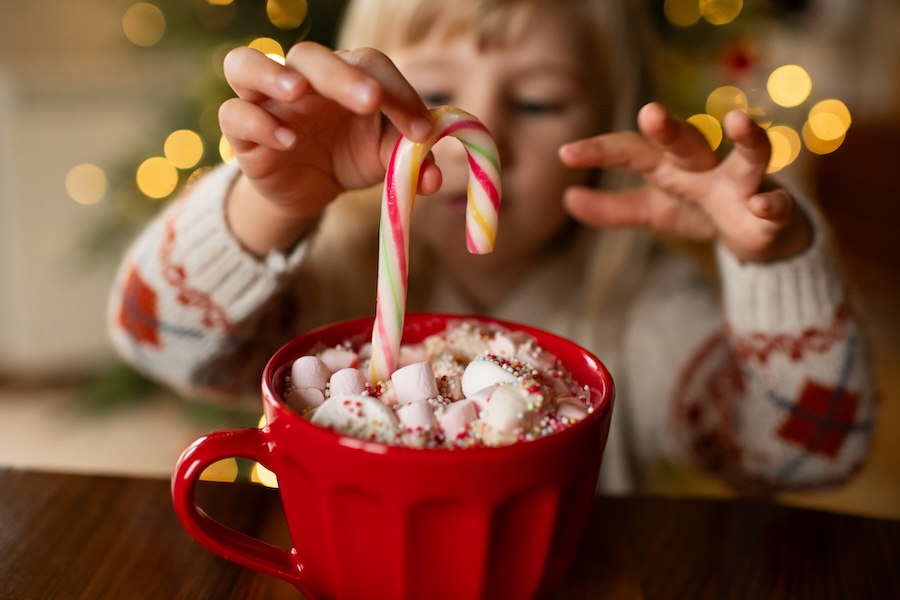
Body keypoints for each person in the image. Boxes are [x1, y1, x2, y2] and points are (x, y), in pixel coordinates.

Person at [108, 0, 875, 494]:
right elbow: (152, 339)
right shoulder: (332, 284)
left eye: (538, 99)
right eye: (433, 93)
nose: (483, 133)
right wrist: (269, 203)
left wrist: (777, 261)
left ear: (604, 121)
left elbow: (816, 451)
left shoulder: (643, 314)